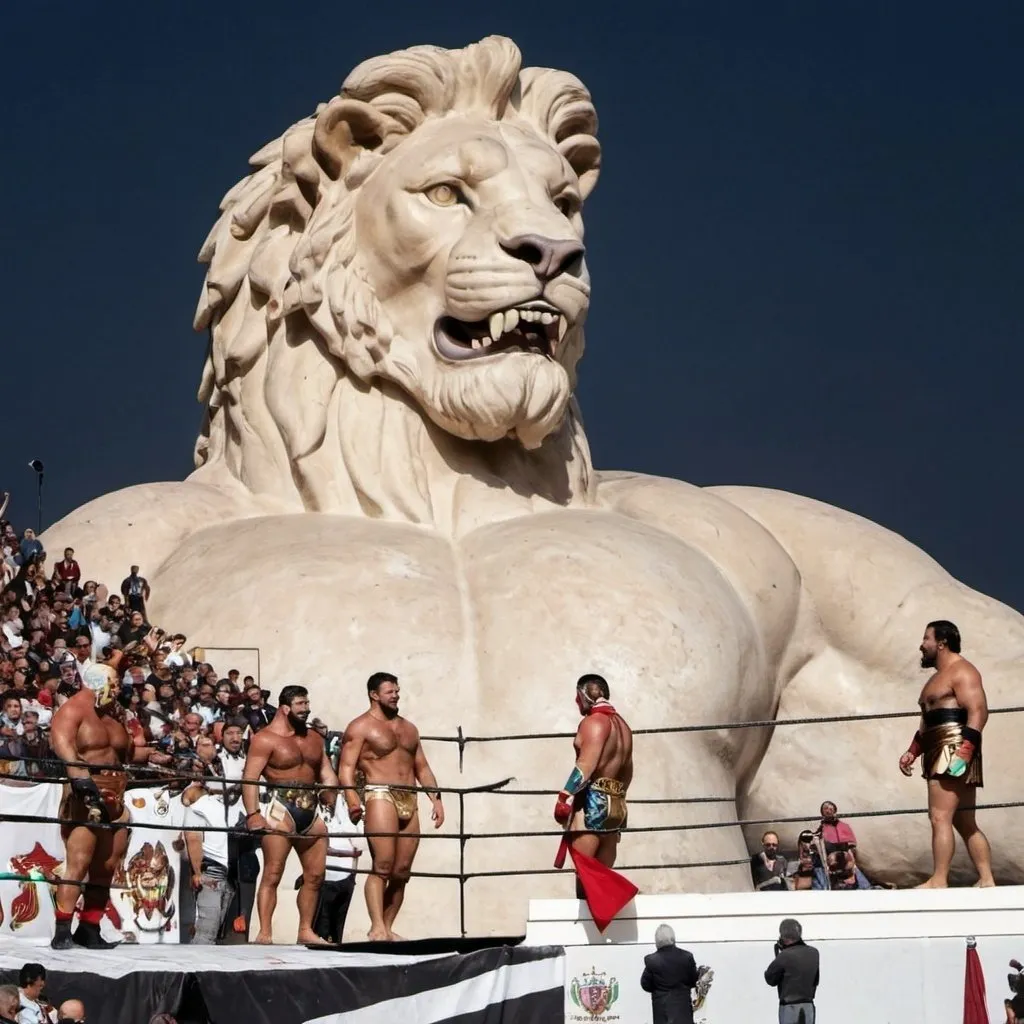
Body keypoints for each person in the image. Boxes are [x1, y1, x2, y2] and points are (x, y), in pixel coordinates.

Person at [48, 640, 155, 949]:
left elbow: (127, 754)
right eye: (115, 684)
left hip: (116, 796)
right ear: (101, 685)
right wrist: (79, 778)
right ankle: (62, 930)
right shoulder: (74, 709)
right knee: (78, 864)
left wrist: (150, 753)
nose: (119, 689)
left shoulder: (114, 716)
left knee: (106, 868)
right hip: (87, 794)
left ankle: (89, 928)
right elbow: (62, 742)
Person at [338, 672, 444, 941]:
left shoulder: (409, 728)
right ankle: (376, 926)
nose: (395, 695)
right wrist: (352, 799)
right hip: (380, 793)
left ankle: (387, 925)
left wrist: (436, 798)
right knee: (383, 865)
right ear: (374, 695)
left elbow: (422, 766)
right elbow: (346, 768)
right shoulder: (360, 726)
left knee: (402, 871)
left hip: (409, 795)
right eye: (389, 691)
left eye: (397, 691)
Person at [898, 620, 995, 888]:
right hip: (938, 746)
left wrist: (965, 751)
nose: (922, 645)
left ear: (941, 643)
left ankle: (939, 879)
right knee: (964, 821)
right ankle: (986, 879)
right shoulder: (936, 679)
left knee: (939, 816)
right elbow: (930, 721)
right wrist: (912, 751)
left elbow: (978, 712)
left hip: (953, 747)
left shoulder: (963, 671)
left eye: (926, 638)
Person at [241, 684, 340, 944]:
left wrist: (331, 791)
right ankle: (264, 932)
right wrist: (253, 814)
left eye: (307, 704)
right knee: (273, 873)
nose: (306, 710)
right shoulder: (265, 738)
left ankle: (305, 929)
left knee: (316, 876)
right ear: (285, 708)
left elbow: (326, 771)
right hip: (280, 808)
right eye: (300, 705)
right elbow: (250, 778)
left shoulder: (314, 739)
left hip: (311, 808)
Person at [553, 674, 633, 894]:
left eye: (578, 696)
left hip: (592, 804)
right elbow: (627, 772)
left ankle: (589, 922)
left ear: (585, 694)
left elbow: (585, 766)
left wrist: (564, 796)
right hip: (616, 804)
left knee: (585, 874)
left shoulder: (594, 723)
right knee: (601, 875)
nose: (576, 702)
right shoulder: (623, 727)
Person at [183, 776, 243, 944]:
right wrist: (197, 873)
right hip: (210, 870)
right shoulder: (198, 807)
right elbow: (193, 838)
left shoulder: (225, 806)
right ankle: (197, 967)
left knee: (215, 929)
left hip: (225, 873)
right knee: (207, 929)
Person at [299, 804, 363, 943]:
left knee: (337, 930)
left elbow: (360, 844)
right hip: (324, 877)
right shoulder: (314, 808)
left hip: (348, 876)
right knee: (321, 927)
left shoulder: (350, 808)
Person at [640, 923, 699, 1024]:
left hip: (662, 1013)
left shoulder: (652, 960)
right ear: (673, 938)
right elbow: (694, 980)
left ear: (657, 941)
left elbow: (645, 985)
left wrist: (658, 989)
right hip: (683, 1011)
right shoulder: (687, 957)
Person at [764, 918, 820, 1024]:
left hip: (789, 1007)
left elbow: (770, 979)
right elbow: (816, 980)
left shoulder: (785, 956)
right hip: (808, 1005)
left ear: (784, 937)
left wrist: (779, 954)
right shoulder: (814, 953)